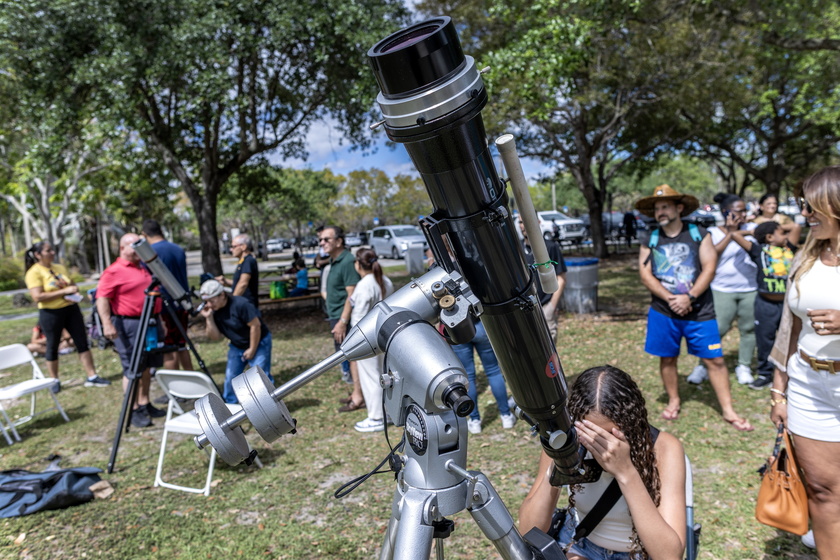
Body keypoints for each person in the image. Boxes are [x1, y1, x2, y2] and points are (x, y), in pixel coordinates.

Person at [519, 365, 686, 560]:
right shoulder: (566, 439)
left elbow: (670, 556)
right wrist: (559, 463)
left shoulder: (665, 448)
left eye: (607, 436)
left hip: (640, 554)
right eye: (587, 434)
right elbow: (529, 531)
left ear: (631, 423)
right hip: (583, 545)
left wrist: (626, 472)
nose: (597, 446)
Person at [635, 184, 752, 431]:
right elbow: (645, 274)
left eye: (665, 206)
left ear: (679, 208)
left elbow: (710, 267)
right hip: (663, 311)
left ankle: (728, 410)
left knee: (715, 360)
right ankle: (674, 400)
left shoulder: (699, 233)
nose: (660, 212)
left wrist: (689, 296)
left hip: (700, 311)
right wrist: (671, 298)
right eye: (657, 208)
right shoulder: (650, 237)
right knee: (668, 358)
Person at [769, 165, 840, 559]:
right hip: (810, 387)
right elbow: (789, 333)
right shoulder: (807, 257)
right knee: (824, 492)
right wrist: (779, 392)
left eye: (814, 208)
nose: (805, 217)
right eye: (803, 208)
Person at [688, 193, 758, 386]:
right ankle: (703, 365)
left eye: (745, 210)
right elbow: (713, 254)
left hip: (750, 288)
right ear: (726, 212)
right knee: (717, 329)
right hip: (722, 289)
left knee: (748, 329)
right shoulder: (712, 232)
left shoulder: (753, 229)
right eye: (739, 210)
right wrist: (731, 232)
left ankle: (743, 365)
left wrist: (740, 232)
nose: (744, 214)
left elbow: (756, 251)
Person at [96, 233, 165, 427]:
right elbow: (102, 298)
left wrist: (161, 319)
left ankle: (144, 402)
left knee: (148, 365)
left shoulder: (144, 266)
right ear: (122, 249)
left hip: (151, 322)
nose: (138, 249)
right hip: (129, 324)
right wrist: (106, 323)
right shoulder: (113, 271)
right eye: (134, 245)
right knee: (132, 367)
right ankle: (133, 408)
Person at [24, 241, 109, 393]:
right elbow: (37, 297)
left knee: (82, 342)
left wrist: (74, 291)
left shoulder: (59, 268)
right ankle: (54, 380)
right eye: (48, 251)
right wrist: (63, 292)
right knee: (52, 345)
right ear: (38, 255)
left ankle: (92, 376)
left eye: (52, 250)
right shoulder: (34, 272)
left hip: (71, 309)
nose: (52, 253)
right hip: (50, 313)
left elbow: (71, 285)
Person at [730, 221, 795, 389]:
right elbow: (735, 235)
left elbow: (794, 227)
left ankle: (790, 375)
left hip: (787, 305)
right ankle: (766, 374)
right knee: (765, 340)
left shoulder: (790, 249)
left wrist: (780, 231)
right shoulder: (758, 251)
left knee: (789, 340)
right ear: (770, 237)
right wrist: (753, 231)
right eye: (781, 232)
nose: (785, 236)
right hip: (765, 304)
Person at [199, 279, 274, 405]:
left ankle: (268, 404)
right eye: (206, 301)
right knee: (231, 378)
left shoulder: (241, 304)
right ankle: (230, 406)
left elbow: (255, 326)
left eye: (211, 300)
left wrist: (252, 349)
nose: (209, 304)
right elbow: (215, 337)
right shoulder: (214, 311)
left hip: (258, 342)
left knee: (260, 377)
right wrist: (209, 318)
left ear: (222, 295)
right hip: (236, 346)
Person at [346, 248, 394, 432]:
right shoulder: (385, 281)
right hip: (385, 335)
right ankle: (387, 412)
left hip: (366, 338)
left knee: (371, 377)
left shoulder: (365, 284)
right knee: (384, 375)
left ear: (358, 264)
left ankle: (376, 417)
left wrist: (353, 340)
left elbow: (357, 317)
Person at [142, 219, 193, 371]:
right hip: (182, 302)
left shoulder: (150, 253)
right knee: (182, 343)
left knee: (169, 347)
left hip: (164, 306)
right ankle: (191, 377)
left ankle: (175, 387)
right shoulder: (177, 249)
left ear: (145, 235)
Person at [452, 318, 516, 434]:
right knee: (493, 371)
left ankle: (475, 420)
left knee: (468, 376)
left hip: (456, 327)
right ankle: (506, 416)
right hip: (479, 323)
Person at [320, 226, 360, 384]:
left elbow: (352, 294)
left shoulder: (347, 261)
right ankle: (355, 391)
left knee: (351, 356)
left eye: (326, 239)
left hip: (344, 319)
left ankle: (358, 392)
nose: (322, 243)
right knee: (343, 354)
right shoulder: (334, 260)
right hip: (335, 316)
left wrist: (342, 322)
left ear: (338, 241)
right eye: (320, 240)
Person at [519, 219, 567, 340]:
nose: (523, 225)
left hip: (545, 307)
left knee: (549, 354)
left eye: (526, 219)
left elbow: (561, 278)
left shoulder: (550, 247)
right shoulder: (516, 248)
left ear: (537, 222)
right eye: (520, 222)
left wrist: (551, 307)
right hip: (524, 309)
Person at [216, 233, 259, 308]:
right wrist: (225, 281)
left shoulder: (248, 261)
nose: (231, 249)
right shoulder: (242, 262)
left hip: (247, 305)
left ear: (243, 247)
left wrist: (232, 302)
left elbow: (243, 284)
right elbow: (239, 282)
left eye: (233, 246)